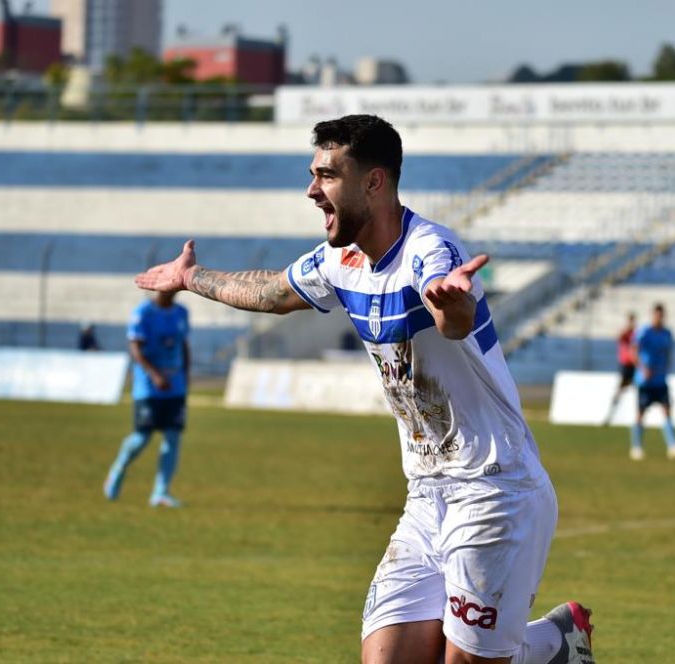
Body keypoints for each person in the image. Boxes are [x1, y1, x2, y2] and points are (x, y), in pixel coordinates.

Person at [134, 115, 594, 664]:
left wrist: (453, 308)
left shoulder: (430, 250)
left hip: (494, 489)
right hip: (426, 493)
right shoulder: (340, 259)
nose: (311, 190)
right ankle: (549, 645)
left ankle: (552, 643)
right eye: (313, 174)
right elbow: (274, 293)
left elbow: (452, 317)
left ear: (374, 182)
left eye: (327, 176)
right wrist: (192, 278)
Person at [103, 290, 190, 508]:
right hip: (149, 388)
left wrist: (185, 375)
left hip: (175, 386)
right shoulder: (143, 312)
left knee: (172, 438)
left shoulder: (181, 312)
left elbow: (183, 345)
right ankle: (119, 468)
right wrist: (155, 375)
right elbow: (135, 349)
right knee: (142, 438)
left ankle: (160, 492)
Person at [629, 303, 675, 462]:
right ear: (652, 315)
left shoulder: (667, 333)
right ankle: (636, 447)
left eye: (661, 315)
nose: (659, 318)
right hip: (645, 382)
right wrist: (642, 368)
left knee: (667, 411)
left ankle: (673, 446)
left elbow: (667, 353)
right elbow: (633, 351)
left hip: (660, 380)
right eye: (656, 315)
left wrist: (666, 367)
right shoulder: (644, 332)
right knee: (640, 414)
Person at [602, 312, 637, 426]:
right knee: (619, 391)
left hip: (635, 366)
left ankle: (638, 418)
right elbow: (618, 337)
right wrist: (627, 328)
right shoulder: (626, 332)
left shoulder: (637, 334)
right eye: (630, 320)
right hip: (626, 365)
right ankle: (610, 415)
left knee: (641, 390)